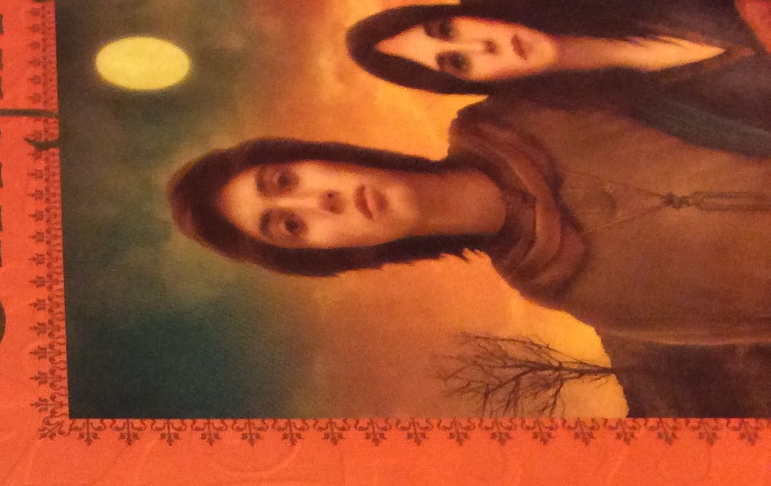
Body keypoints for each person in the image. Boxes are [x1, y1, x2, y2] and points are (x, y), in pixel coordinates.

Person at [166, 96, 771, 346]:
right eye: (290, 228)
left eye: (284, 182)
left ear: (317, 154)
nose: (318, 203)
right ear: (331, 255)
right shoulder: (581, 294)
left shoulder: (527, 108)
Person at [347, 0, 771, 156]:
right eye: (456, 63)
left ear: (465, 14)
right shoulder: (655, 116)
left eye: (447, 30)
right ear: (470, 83)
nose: (481, 47)